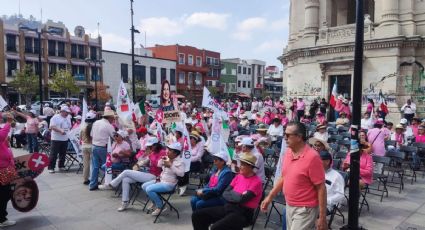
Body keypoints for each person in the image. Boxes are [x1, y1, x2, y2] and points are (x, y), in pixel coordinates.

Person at [261, 122, 327, 230]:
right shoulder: (288, 152)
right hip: (289, 204)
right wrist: (270, 196)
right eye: (284, 134)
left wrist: (322, 217)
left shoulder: (312, 157)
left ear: (299, 137)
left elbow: (321, 188)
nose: (285, 138)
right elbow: (284, 177)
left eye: (288, 135)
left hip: (305, 209)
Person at [192, 153, 263, 230]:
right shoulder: (239, 176)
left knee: (215, 228)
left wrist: (233, 194)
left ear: (250, 167)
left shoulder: (256, 182)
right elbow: (225, 193)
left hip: (242, 213)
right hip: (228, 207)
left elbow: (242, 200)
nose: (239, 167)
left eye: (242, 165)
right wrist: (239, 195)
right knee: (197, 215)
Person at [106, 136, 166, 211]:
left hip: (155, 176)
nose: (150, 148)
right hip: (148, 173)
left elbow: (159, 164)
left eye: (151, 146)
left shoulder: (162, 152)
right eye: (149, 146)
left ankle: (113, 183)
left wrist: (149, 158)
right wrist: (140, 163)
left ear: (156, 145)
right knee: (126, 179)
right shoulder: (152, 152)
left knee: (126, 171)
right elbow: (144, 161)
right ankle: (125, 202)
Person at [142, 142, 185, 216]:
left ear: (175, 153)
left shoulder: (180, 162)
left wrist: (171, 166)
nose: (167, 151)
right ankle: (155, 201)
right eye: (168, 149)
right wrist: (162, 160)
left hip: (169, 184)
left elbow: (181, 174)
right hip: (161, 180)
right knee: (144, 186)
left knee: (149, 189)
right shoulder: (167, 158)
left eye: (170, 150)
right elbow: (159, 165)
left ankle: (160, 206)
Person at [89, 110, 116, 191]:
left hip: (94, 146)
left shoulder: (96, 122)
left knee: (95, 167)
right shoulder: (108, 125)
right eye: (113, 118)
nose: (113, 120)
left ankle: (93, 184)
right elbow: (115, 137)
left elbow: (91, 135)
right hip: (103, 147)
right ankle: (108, 183)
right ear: (110, 118)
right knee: (107, 166)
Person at [0, 113, 16, 227]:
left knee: (6, 192)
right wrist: (8, 122)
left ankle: (2, 218)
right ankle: (2, 219)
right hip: (1, 169)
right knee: (4, 193)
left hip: (5, 167)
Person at [179, 131, 205, 195]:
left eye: (191, 138)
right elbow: (183, 155)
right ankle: (182, 185)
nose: (189, 140)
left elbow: (198, 157)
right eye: (189, 138)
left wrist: (188, 160)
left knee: (185, 168)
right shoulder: (188, 146)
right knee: (179, 167)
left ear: (195, 140)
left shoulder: (200, 146)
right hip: (188, 163)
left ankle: (183, 185)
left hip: (197, 163)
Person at [48, 106, 72, 173]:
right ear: (62, 111)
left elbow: (69, 126)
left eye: (68, 112)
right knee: (53, 154)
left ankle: (61, 166)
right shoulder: (55, 117)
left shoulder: (68, 117)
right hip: (56, 138)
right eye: (66, 112)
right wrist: (60, 131)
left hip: (65, 138)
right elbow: (52, 126)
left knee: (63, 153)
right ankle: (51, 167)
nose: (67, 113)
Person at [80, 112, 96, 185]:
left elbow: (80, 138)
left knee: (86, 164)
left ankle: (85, 179)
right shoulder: (94, 127)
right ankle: (93, 179)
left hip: (84, 146)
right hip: (92, 146)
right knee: (93, 164)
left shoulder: (82, 127)